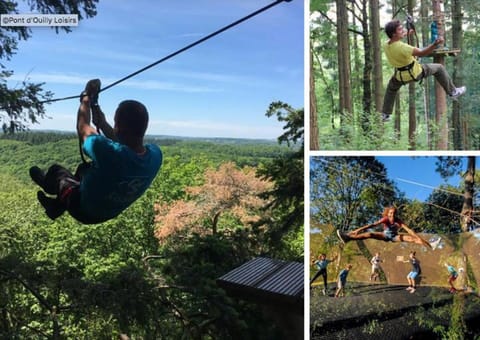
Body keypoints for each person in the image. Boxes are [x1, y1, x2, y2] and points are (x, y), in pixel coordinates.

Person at [29, 79, 163, 224]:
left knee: (57, 172)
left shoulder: (111, 154)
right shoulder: (156, 155)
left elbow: (83, 127)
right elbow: (127, 144)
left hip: (82, 209)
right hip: (108, 211)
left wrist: (86, 98)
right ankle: (57, 205)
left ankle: (49, 189)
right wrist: (102, 122)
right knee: (83, 169)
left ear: (118, 126)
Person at [381, 19, 466, 122]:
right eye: (400, 29)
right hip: (415, 73)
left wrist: (407, 33)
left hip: (400, 76)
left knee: (391, 88)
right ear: (394, 34)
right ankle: (453, 91)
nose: (403, 30)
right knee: (439, 68)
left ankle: (386, 114)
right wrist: (435, 44)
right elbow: (422, 53)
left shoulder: (386, 45)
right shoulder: (403, 47)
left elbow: (397, 40)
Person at [337, 207, 435, 249]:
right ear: (388, 213)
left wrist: (419, 238)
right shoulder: (385, 219)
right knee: (370, 234)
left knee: (411, 239)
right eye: (391, 213)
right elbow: (372, 225)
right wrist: (358, 230)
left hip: (394, 237)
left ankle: (430, 245)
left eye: (394, 213)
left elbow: (408, 230)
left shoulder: (398, 220)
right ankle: (348, 238)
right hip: (384, 235)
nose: (393, 215)